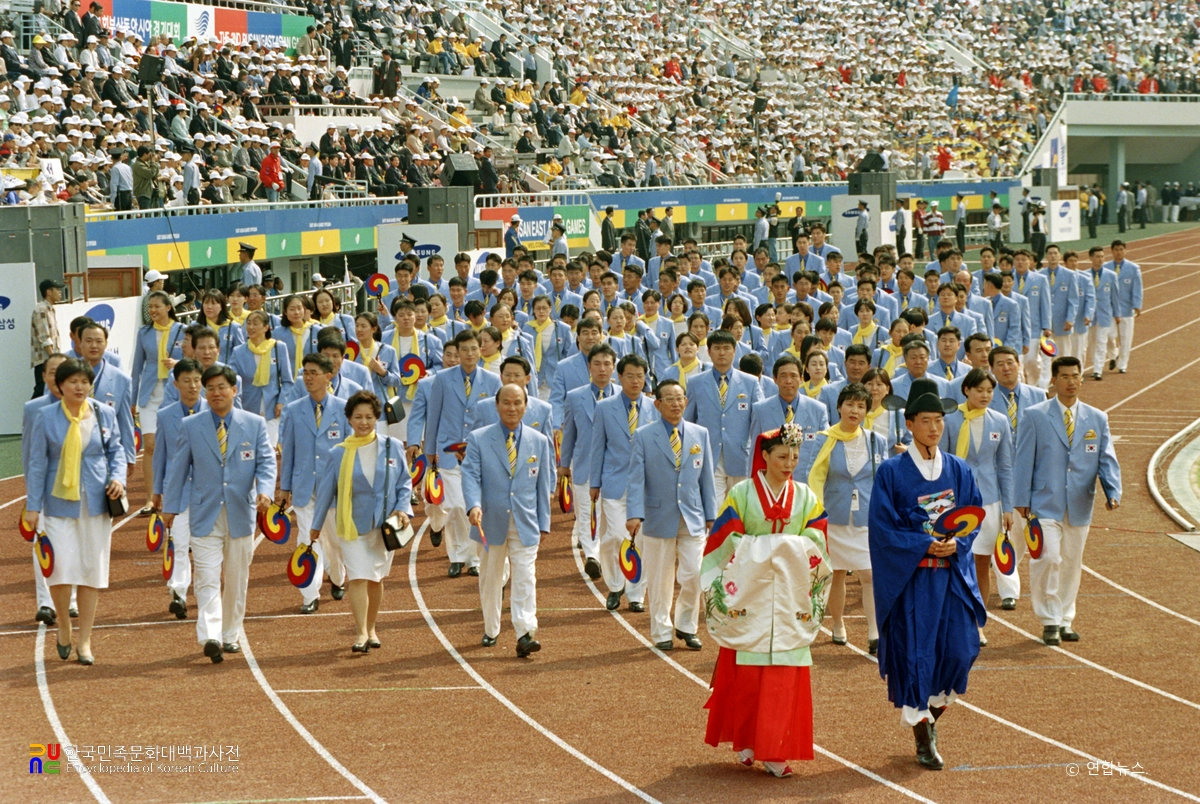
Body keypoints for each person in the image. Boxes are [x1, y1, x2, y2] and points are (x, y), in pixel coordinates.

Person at [868, 377, 985, 771]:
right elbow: (882, 529)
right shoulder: (891, 472)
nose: (935, 428)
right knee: (917, 654)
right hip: (913, 580)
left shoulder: (958, 469)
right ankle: (921, 732)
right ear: (910, 423)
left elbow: (972, 517)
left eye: (940, 421)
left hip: (950, 576)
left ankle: (927, 716)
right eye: (926, 421)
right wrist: (922, 545)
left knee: (961, 650)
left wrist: (958, 544)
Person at [699, 423, 828, 778]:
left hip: (789, 596)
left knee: (784, 675)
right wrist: (769, 550)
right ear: (765, 456)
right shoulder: (741, 493)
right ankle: (747, 741)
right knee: (747, 673)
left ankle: (775, 748)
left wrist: (787, 548)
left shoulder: (805, 496)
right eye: (783, 456)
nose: (790, 464)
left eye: (795, 457)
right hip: (751, 593)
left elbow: (817, 536)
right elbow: (725, 538)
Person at [162, 365, 276, 665]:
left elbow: (266, 463)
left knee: (237, 578)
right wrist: (170, 508)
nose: (215, 393)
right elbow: (177, 469)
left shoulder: (254, 423)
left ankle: (230, 633)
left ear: (234, 390)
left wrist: (265, 491)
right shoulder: (192, 425)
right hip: (204, 512)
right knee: (208, 577)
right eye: (209, 388)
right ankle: (210, 634)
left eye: (221, 387)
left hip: (241, 512)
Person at [25, 358, 127, 665]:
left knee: (90, 571)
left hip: (96, 502)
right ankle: (65, 626)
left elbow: (116, 450)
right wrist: (32, 507)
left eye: (85, 381)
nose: (79, 387)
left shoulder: (103, 412)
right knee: (60, 569)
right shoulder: (45, 416)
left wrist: (118, 479)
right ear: (60, 386)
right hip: (56, 503)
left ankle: (85, 640)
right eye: (73, 382)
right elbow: (37, 462)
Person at [1014, 357, 1121, 646]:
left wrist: (1113, 492)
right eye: (1065, 376)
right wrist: (1020, 498)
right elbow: (1023, 460)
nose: (1071, 381)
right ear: (1054, 380)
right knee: (1048, 557)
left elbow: (1105, 458)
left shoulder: (1097, 418)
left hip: (1079, 503)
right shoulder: (1036, 415)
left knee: (1072, 563)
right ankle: (1048, 619)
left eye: (1075, 376)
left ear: (1081, 379)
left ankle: (1065, 619)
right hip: (1044, 501)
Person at [311, 390, 412, 653]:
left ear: (377, 417)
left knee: (376, 579)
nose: (364, 422)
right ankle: (360, 633)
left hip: (383, 524)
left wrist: (402, 509)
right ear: (349, 419)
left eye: (369, 416)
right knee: (357, 576)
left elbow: (404, 482)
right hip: (351, 524)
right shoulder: (338, 453)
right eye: (358, 417)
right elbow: (326, 492)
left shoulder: (393, 446)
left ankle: (372, 627)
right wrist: (316, 526)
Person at [463, 383, 554, 657]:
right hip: (489, 520)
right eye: (506, 402)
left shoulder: (539, 441)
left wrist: (544, 522)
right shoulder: (479, 438)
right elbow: (470, 475)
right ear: (496, 405)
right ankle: (491, 628)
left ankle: (525, 631)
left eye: (517, 403)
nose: (512, 408)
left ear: (526, 406)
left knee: (526, 576)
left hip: (525, 522)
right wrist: (474, 506)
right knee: (491, 578)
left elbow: (543, 484)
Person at [625, 379, 717, 652]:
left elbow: (707, 479)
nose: (676, 404)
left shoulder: (700, 434)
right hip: (657, 515)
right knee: (660, 579)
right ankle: (661, 630)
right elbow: (635, 479)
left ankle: (686, 625)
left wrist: (711, 514)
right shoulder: (643, 435)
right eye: (669, 399)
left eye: (680, 399)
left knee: (693, 574)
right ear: (657, 404)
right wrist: (634, 514)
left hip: (693, 517)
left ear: (686, 402)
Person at [805, 382, 887, 653]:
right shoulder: (824, 438)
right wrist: (814, 514)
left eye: (861, 406)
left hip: (866, 517)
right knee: (837, 573)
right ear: (839, 407)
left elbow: (882, 479)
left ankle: (874, 632)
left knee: (869, 573)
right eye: (850, 404)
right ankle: (838, 623)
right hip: (834, 515)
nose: (855, 410)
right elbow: (813, 477)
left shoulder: (877, 440)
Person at [939, 369, 1013, 647]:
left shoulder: (1000, 421)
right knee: (955, 562)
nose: (984, 396)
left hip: (990, 501)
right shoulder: (950, 420)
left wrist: (1007, 507)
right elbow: (942, 462)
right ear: (966, 390)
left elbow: (1005, 466)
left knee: (982, 562)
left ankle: (978, 623)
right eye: (979, 390)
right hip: (957, 503)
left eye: (989, 391)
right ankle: (952, 620)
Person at [424, 330, 502, 577]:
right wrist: (430, 450)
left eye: (474, 348)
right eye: (464, 349)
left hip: (480, 452)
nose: (469, 354)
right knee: (456, 505)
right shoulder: (443, 379)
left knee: (475, 506)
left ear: (481, 350)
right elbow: (434, 415)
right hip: (448, 451)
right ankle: (457, 555)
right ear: (457, 352)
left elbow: (495, 419)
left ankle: (473, 558)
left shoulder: (492, 381)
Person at [590, 354, 658, 611]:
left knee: (641, 540)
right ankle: (616, 584)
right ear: (620, 377)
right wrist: (594, 482)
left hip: (646, 485)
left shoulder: (654, 408)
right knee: (615, 537)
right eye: (630, 376)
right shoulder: (605, 407)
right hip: (614, 481)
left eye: (640, 376)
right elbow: (598, 447)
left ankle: (637, 593)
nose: (635, 381)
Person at [558, 343, 620, 587]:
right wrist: (564, 464)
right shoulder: (575, 397)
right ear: (588, 367)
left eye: (607, 364)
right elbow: (569, 433)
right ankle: (592, 556)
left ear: (614, 367)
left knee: (611, 516)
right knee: (587, 513)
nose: (602, 369)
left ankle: (607, 556)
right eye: (597, 364)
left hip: (615, 467)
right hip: (584, 465)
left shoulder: (623, 396)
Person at [151, 359, 207, 621]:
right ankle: (179, 593)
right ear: (176, 384)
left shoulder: (216, 411)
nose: (193, 386)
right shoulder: (165, 415)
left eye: (197, 380)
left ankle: (206, 593)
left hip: (210, 493)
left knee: (205, 546)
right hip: (179, 492)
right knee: (179, 542)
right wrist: (156, 491)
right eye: (187, 381)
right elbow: (160, 456)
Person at [684, 330, 763, 501]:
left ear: (735, 351)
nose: (721, 353)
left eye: (726, 348)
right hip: (709, 455)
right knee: (715, 511)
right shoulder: (695, 382)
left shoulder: (750, 382)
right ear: (709, 351)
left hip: (741, 456)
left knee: (741, 508)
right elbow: (688, 422)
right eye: (717, 348)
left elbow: (759, 420)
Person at [23, 354, 73, 626]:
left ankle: (72, 598)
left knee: (73, 544)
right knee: (43, 544)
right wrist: (32, 492)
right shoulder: (34, 409)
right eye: (51, 373)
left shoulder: (84, 406)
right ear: (44, 376)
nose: (56, 378)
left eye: (61, 372)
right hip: (43, 490)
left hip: (76, 490)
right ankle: (45, 601)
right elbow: (30, 453)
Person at [130, 291, 186, 515]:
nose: (152, 310)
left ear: (168, 308)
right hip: (150, 394)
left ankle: (176, 495)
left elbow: (195, 359)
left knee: (176, 447)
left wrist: (179, 363)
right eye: (150, 307)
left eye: (157, 306)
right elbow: (136, 369)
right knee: (151, 446)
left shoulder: (183, 331)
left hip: (175, 392)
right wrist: (133, 399)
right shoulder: (143, 333)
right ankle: (151, 498)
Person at [230, 310, 294, 444]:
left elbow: (287, 381)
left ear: (266, 327)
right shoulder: (239, 351)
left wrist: (282, 402)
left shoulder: (278, 348)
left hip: (272, 409)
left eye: (255, 323)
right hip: (248, 408)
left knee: (269, 449)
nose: (250, 327)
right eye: (248, 323)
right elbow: (231, 379)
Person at [1103, 240, 1141, 375]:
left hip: (1126, 308)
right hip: (1109, 309)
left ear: (1125, 251)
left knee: (1126, 338)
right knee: (1108, 335)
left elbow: (1137, 288)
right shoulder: (1105, 267)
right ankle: (1113, 354)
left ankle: (1123, 364)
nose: (1119, 252)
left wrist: (1137, 305)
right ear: (1112, 251)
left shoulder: (1133, 268)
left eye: (1121, 249)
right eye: (1116, 249)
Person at [31, 278, 63, 399]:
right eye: (57, 289)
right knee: (41, 390)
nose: (60, 292)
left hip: (49, 359)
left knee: (47, 391)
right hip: (44, 359)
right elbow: (44, 338)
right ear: (48, 292)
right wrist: (53, 359)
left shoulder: (50, 309)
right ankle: (30, 416)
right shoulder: (41, 310)